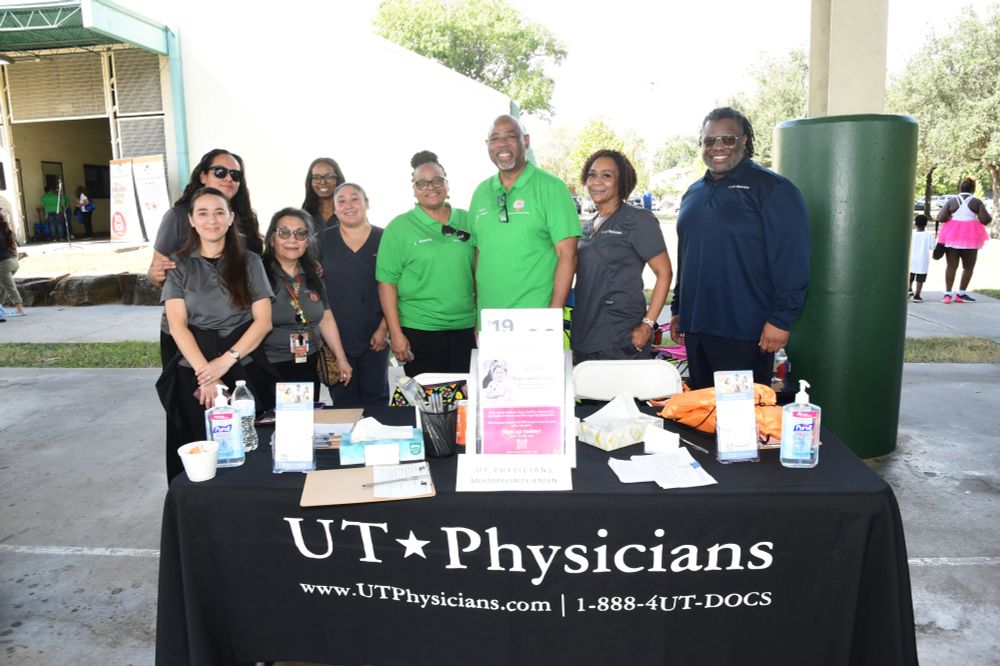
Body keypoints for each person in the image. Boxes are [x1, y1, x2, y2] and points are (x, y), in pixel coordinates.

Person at [670, 107, 810, 389]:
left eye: (728, 139)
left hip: (746, 331)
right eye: (709, 140)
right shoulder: (693, 192)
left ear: (744, 140)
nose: (718, 147)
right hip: (697, 329)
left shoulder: (772, 188)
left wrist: (781, 320)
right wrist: (678, 308)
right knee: (700, 416)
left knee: (739, 423)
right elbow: (687, 255)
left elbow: (792, 260)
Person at [155, 187, 273, 482]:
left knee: (249, 450)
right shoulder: (178, 264)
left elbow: (263, 322)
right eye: (203, 213)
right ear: (192, 221)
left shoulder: (250, 262)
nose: (212, 220)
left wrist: (226, 361)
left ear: (231, 218)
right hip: (192, 368)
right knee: (198, 453)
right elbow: (178, 325)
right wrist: (206, 375)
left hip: (242, 363)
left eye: (219, 212)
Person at [465, 115, 581, 317]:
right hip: (491, 320)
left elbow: (568, 255)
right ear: (487, 145)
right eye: (494, 138)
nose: (502, 144)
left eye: (510, 136)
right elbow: (478, 255)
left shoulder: (552, 188)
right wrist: (478, 316)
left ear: (525, 141)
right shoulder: (481, 192)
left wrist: (552, 316)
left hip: (536, 318)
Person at [377, 150, 476, 376]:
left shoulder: (469, 220)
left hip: (465, 328)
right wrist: (396, 333)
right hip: (420, 329)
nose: (430, 188)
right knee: (429, 403)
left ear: (447, 184)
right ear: (413, 189)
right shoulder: (399, 228)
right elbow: (386, 284)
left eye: (437, 181)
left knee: (466, 399)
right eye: (422, 183)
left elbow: (480, 272)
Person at [572, 150, 672, 362]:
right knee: (590, 395)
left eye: (606, 175)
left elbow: (664, 273)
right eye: (592, 174)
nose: (597, 181)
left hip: (622, 338)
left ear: (621, 182)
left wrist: (648, 325)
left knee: (624, 396)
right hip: (585, 335)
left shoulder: (637, 220)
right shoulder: (588, 226)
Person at [261, 207, 353, 409]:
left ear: (308, 240)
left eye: (300, 233)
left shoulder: (313, 274)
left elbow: (326, 317)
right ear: (272, 238)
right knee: (276, 428)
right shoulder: (259, 272)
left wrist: (341, 359)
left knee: (302, 424)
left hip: (308, 362)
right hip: (271, 367)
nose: (292, 240)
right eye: (284, 233)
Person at [316, 183, 388, 407]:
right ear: (335, 209)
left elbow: (398, 289)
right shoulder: (320, 241)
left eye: (355, 199)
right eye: (341, 201)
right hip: (335, 338)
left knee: (376, 402)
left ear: (366, 203)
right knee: (343, 406)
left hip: (375, 338)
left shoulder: (386, 239)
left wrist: (384, 328)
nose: (349, 205)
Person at [936, 177, 992, 303]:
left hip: (952, 236)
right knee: (968, 267)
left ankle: (947, 294)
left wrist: (952, 216)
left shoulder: (952, 201)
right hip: (971, 237)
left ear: (959, 188)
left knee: (951, 266)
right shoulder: (976, 202)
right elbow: (985, 220)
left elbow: (940, 217)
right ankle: (961, 293)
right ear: (973, 189)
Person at [302, 157, 346, 231]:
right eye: (316, 177)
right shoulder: (304, 215)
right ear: (310, 181)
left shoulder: (350, 211)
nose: (323, 182)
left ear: (338, 179)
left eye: (329, 177)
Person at [0, 212, 26, 317]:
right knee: (4, 285)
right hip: (14, 262)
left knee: (9, 286)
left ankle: (19, 310)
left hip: (3, 264)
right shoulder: (5, 229)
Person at [908, 214, 934, 302]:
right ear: (926, 224)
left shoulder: (911, 234)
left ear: (915, 223)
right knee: (920, 279)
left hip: (911, 258)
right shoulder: (929, 235)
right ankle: (917, 295)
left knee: (910, 276)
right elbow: (932, 247)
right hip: (923, 260)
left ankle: (909, 289)